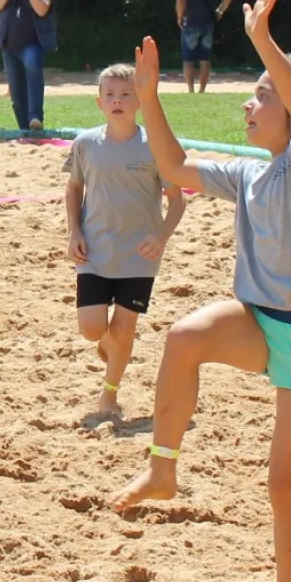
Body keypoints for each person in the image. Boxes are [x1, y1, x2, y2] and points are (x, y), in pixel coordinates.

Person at [109, 0, 291, 582]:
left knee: (283, 483)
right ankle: (162, 471)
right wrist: (149, 98)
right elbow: (175, 168)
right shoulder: (250, 175)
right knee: (184, 337)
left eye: (261, 97)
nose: (248, 106)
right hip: (260, 322)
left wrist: (262, 39)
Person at [65, 63, 188, 415]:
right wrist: (73, 231)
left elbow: (177, 199)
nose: (117, 100)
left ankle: (110, 396)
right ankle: (114, 344)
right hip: (94, 249)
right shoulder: (86, 143)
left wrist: (162, 235)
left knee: (124, 328)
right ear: (98, 102)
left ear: (139, 101)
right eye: (110, 94)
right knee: (92, 330)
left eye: (125, 94)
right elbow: (74, 187)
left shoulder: (154, 145)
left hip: (139, 253)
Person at [0, 0, 56, 131]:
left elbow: (41, 9)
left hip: (34, 41)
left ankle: (35, 117)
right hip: (8, 43)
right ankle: (24, 129)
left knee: (33, 67)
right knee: (16, 91)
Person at [175, 0, 231, 94]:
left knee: (188, 59)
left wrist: (180, 16)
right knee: (204, 58)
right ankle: (202, 90)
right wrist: (220, 11)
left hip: (191, 23)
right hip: (208, 24)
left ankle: (190, 89)